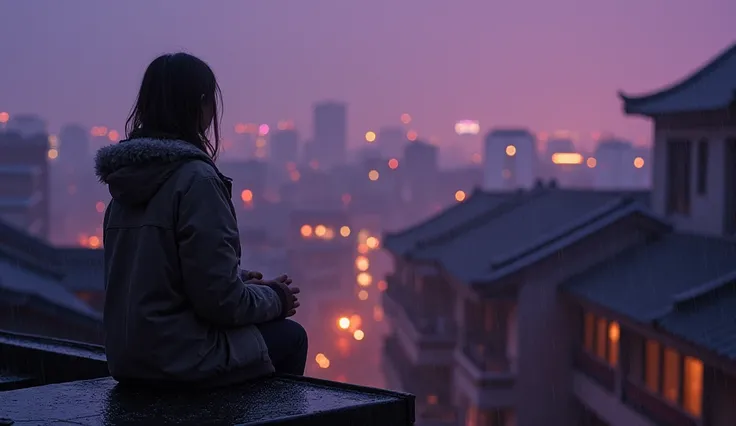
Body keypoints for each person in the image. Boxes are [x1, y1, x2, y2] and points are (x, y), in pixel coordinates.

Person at [94, 53, 307, 387]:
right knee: (291, 338)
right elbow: (220, 303)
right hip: (179, 359)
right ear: (201, 105)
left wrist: (239, 281)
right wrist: (276, 299)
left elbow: (164, 278)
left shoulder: (124, 181)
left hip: (127, 359)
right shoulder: (196, 181)